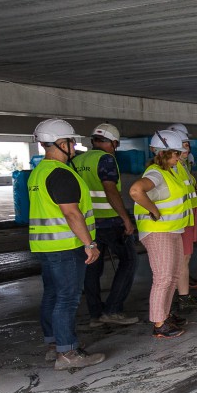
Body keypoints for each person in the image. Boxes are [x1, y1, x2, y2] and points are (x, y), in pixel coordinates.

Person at [27, 118, 105, 370]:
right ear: (61, 143)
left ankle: (53, 345)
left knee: (52, 295)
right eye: (72, 141)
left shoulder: (39, 172)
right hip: (66, 246)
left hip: (45, 246)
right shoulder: (60, 173)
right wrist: (89, 243)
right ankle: (68, 352)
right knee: (67, 299)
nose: (74, 146)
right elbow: (72, 213)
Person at [72, 123, 139, 327]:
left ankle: (95, 314)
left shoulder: (76, 160)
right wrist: (126, 219)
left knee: (92, 268)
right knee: (129, 261)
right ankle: (112, 309)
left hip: (88, 224)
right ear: (114, 143)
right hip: (110, 221)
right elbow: (110, 190)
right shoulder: (106, 159)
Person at [129, 130, 192, 338]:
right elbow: (136, 191)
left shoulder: (170, 171)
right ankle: (159, 323)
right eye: (175, 153)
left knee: (172, 275)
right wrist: (153, 210)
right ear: (164, 153)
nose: (179, 156)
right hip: (158, 232)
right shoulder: (155, 173)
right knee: (163, 277)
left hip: (172, 230)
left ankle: (165, 314)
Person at [166, 123, 197, 314]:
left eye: (186, 145)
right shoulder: (172, 168)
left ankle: (183, 294)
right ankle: (183, 297)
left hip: (188, 217)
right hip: (180, 219)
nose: (185, 149)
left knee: (185, 257)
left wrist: (194, 188)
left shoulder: (181, 167)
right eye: (182, 146)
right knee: (182, 258)